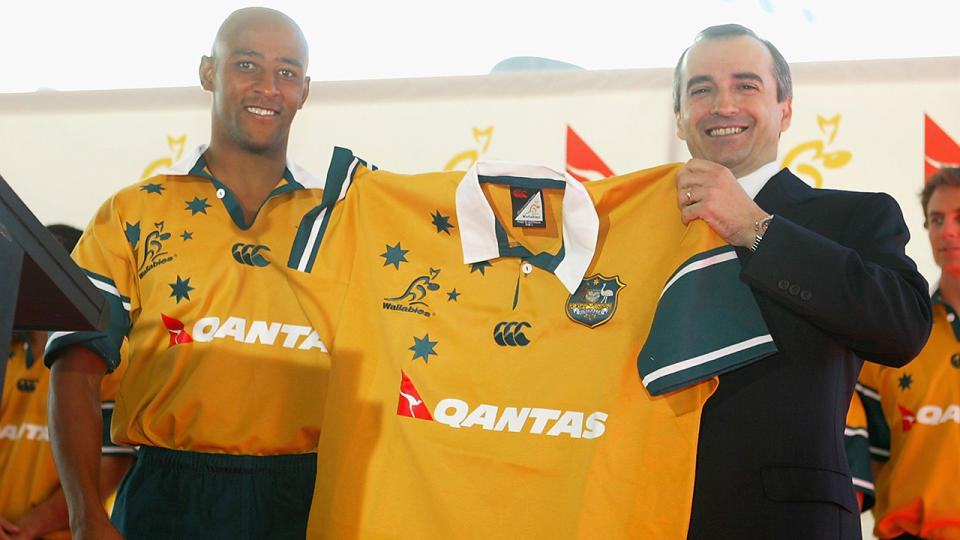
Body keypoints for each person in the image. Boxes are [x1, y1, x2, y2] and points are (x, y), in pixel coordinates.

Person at [44, 8, 328, 540]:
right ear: (208, 72)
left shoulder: (342, 216)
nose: (268, 86)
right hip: (166, 496)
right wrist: (85, 515)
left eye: (287, 72)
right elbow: (76, 366)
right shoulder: (133, 211)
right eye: (247, 64)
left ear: (305, 90)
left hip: (308, 496)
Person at [672, 24, 932, 538]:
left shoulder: (855, 217)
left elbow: (903, 327)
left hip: (789, 520)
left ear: (785, 109)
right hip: (646, 512)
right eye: (701, 88)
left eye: (747, 85)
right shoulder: (627, 230)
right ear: (679, 117)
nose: (723, 104)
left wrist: (754, 229)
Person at [0, 225, 133, 540]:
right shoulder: (9, 350)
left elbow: (110, 466)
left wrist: (24, 530)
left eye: (50, 265)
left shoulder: (112, 357)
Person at [856, 167, 960, 540]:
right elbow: (859, 464)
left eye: (959, 218)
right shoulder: (896, 335)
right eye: (936, 219)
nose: (946, 231)